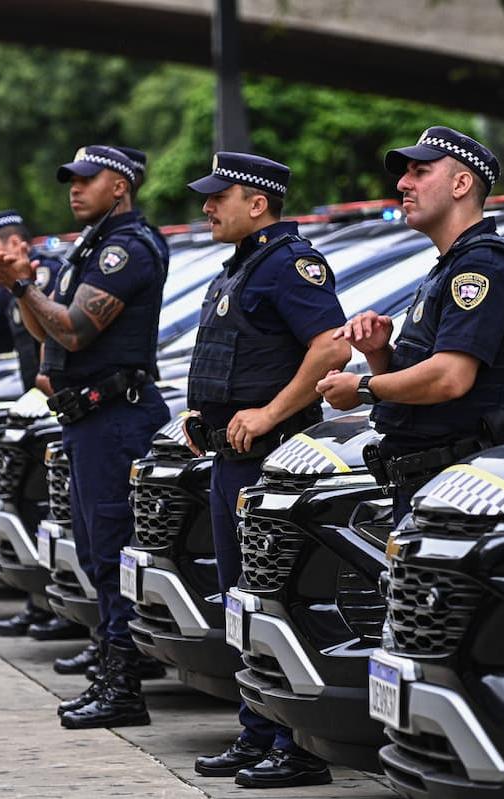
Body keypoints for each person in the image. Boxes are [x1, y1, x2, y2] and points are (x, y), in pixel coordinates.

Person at [0, 145, 169, 729]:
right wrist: (20, 290)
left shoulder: (126, 249)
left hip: (117, 417)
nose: (74, 188)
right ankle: (109, 669)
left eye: (88, 179)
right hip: (87, 418)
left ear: (121, 186)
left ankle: (124, 686)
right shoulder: (87, 248)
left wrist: (25, 288)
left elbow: (76, 329)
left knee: (112, 553)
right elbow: (51, 332)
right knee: (93, 550)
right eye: (71, 179)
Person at [180, 152, 349, 788]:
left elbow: (332, 345)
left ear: (258, 203)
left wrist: (271, 412)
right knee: (242, 604)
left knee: (275, 600)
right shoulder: (243, 266)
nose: (207, 205)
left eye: (218, 195)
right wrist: (205, 415)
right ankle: (258, 731)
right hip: (232, 460)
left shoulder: (288, 263)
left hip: (272, 465)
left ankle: (297, 745)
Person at [317, 126, 504, 522]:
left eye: (420, 172)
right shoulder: (451, 265)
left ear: (461, 184)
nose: (403, 183)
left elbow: (450, 378)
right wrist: (380, 353)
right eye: (406, 173)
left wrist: (362, 386)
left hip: (455, 488)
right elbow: (418, 390)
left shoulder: (481, 266)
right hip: (425, 482)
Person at [0, 210, 71, 637]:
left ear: (17, 246)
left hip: (57, 401)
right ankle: (40, 600)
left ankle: (60, 608)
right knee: (33, 504)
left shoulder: (44, 276)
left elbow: (53, 335)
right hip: (35, 400)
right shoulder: (12, 288)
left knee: (56, 510)